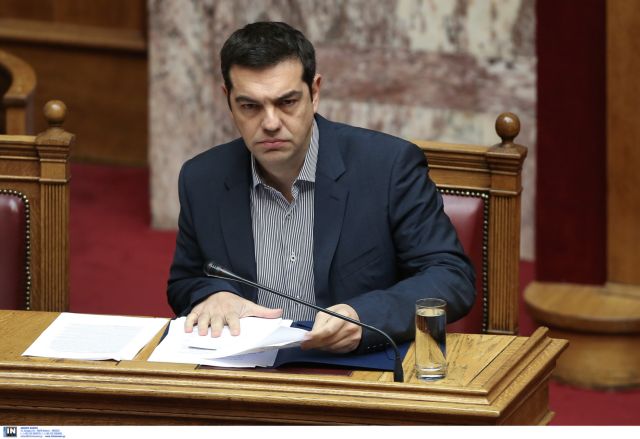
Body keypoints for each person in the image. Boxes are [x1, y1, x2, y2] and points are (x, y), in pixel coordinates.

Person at [167, 21, 475, 354]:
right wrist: (213, 295)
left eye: (287, 102)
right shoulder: (203, 179)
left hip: (353, 365)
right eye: (250, 106)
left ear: (314, 93)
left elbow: (450, 277)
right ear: (228, 100)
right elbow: (186, 281)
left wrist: (362, 317)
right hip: (247, 367)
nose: (270, 123)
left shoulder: (388, 167)